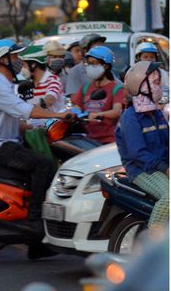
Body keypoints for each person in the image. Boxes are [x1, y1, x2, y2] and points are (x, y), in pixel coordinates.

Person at [0, 39, 73, 230]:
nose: (19, 60)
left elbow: (18, 121)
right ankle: (35, 221)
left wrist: (39, 128)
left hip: (8, 142)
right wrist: (59, 115)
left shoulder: (6, 84)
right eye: (15, 57)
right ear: (3, 60)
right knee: (43, 164)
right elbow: (26, 111)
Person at [116, 61, 169, 229]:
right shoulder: (130, 118)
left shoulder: (157, 114)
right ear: (141, 86)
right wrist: (166, 169)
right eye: (155, 83)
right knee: (169, 197)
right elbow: (137, 154)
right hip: (142, 171)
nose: (159, 86)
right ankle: (154, 246)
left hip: (160, 167)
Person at [71, 46, 125, 144]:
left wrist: (98, 114)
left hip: (108, 141)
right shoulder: (86, 88)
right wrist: (75, 113)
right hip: (87, 140)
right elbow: (76, 107)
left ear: (106, 66)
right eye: (89, 63)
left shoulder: (116, 89)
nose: (90, 67)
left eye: (94, 63)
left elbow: (116, 111)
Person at [19, 45, 66, 128]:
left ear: (33, 64)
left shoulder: (52, 80)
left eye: (23, 65)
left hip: (53, 128)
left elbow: (50, 99)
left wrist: (32, 109)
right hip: (34, 129)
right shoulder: (27, 84)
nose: (22, 68)